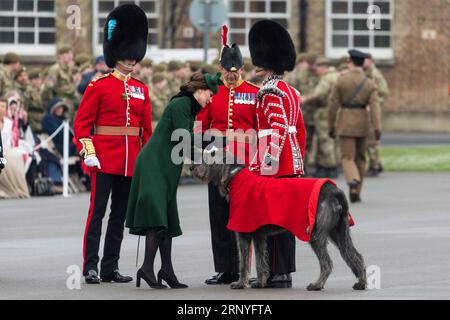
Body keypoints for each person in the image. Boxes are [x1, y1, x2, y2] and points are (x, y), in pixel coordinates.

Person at [73, 4, 152, 284]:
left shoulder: (141, 89)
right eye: (127, 55)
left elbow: (146, 132)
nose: (131, 60)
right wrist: (88, 152)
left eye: (134, 55)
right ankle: (90, 266)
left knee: (119, 217)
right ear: (117, 53)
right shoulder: (99, 86)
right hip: (104, 158)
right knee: (97, 214)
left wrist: (147, 163)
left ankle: (110, 266)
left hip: (130, 162)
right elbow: (81, 125)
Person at [126, 72, 220, 289]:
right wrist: (212, 142)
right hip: (154, 164)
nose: (211, 99)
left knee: (166, 218)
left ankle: (166, 270)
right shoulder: (182, 105)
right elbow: (183, 138)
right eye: (209, 94)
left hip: (166, 165)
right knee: (157, 217)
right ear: (198, 89)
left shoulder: (189, 107)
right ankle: (147, 268)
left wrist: (208, 146)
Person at [196, 25, 259, 286]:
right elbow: (200, 125)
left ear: (241, 70)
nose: (231, 76)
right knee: (218, 215)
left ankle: (243, 268)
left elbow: (259, 128)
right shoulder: (215, 93)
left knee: (243, 216)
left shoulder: (254, 93)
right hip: (217, 162)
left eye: (236, 72)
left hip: (244, 164)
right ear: (221, 70)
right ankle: (224, 268)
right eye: (226, 72)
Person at [248, 20, 307, 288]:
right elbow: (300, 131)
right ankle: (283, 270)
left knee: (273, 219)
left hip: (275, 163)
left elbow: (277, 129)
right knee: (287, 218)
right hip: (291, 161)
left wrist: (266, 163)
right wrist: (298, 160)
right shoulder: (291, 91)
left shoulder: (268, 91)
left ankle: (277, 271)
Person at [328, 49, 382, 203]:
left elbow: (333, 105)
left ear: (350, 62)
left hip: (345, 121)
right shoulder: (370, 83)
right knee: (360, 158)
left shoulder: (341, 80)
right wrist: (377, 128)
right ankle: (356, 191)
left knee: (347, 157)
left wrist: (331, 126)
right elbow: (376, 107)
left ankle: (353, 180)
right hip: (363, 123)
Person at [301, 56, 339, 178]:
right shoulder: (336, 76)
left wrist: (304, 99)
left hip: (324, 110)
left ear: (323, 67)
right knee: (331, 139)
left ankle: (329, 167)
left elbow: (318, 93)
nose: (316, 71)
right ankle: (330, 166)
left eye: (318, 68)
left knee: (324, 139)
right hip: (333, 110)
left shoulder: (327, 79)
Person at [364, 53, 389, 176]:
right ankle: (377, 163)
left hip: (372, 111)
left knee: (372, 139)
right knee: (368, 139)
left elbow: (383, 92)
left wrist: (373, 105)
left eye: (365, 60)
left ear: (370, 61)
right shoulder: (365, 73)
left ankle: (374, 166)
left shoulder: (375, 74)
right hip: (365, 111)